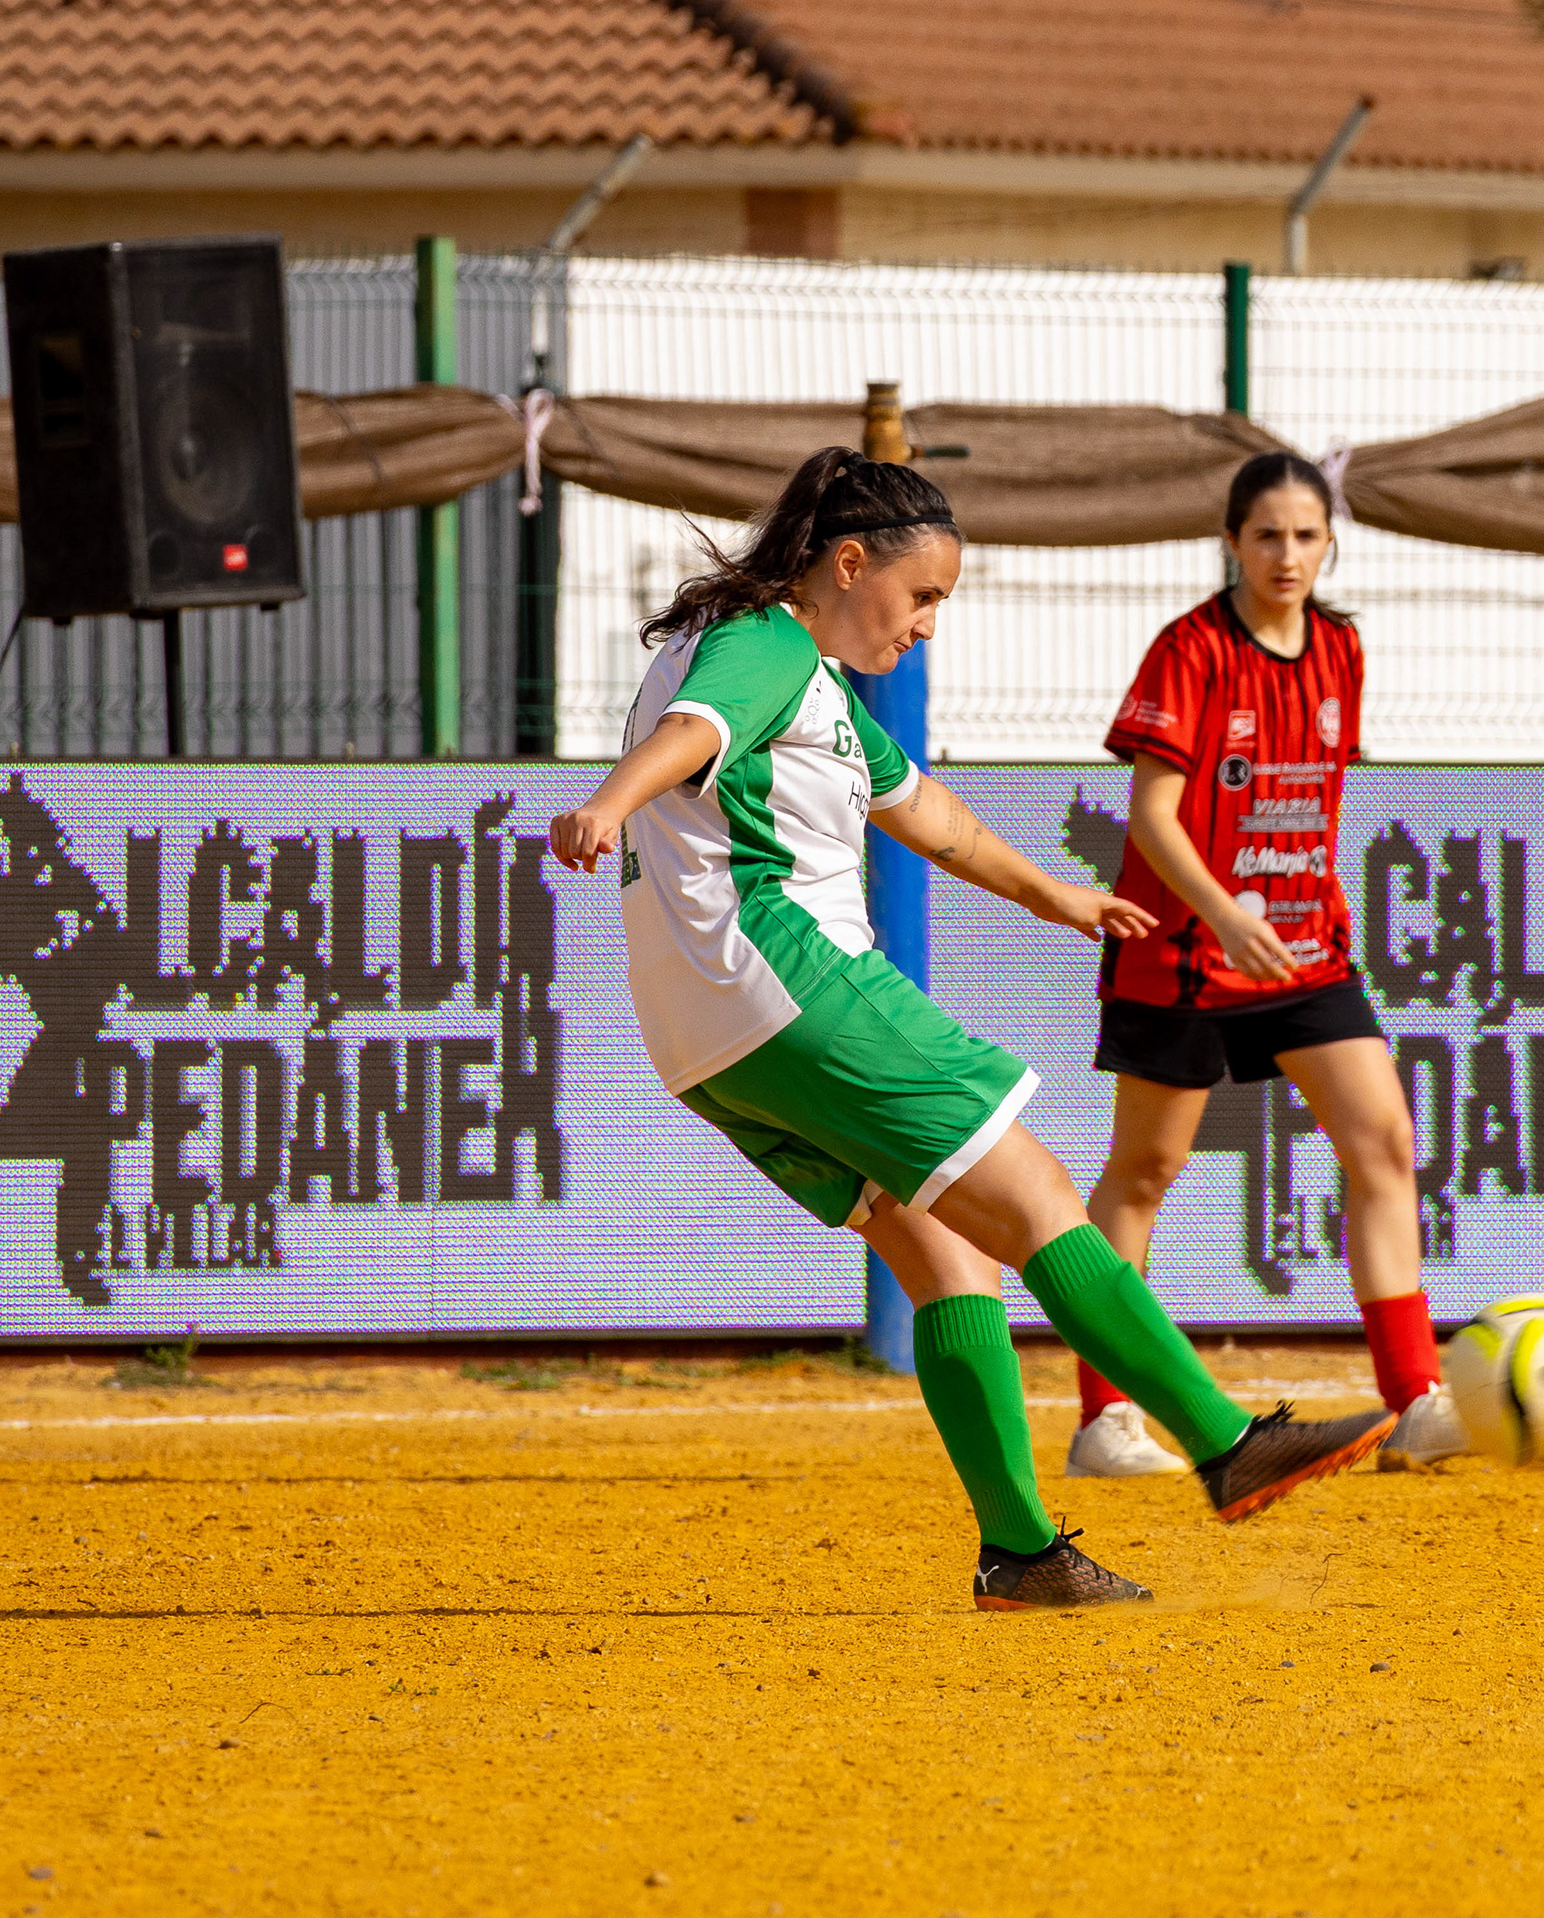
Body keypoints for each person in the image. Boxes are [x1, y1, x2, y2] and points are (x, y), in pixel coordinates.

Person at [547, 448, 1394, 1614]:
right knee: (1039, 1195)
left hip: (705, 1038)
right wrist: (608, 800)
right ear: (850, 563)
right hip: (786, 979)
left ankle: (1022, 1553)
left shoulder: (798, 681)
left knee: (946, 1254)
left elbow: (928, 812)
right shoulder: (767, 647)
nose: (928, 624)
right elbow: (696, 731)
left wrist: (1055, 894)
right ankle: (1226, 1441)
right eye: (923, 595)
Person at [1063, 451, 1468, 1481]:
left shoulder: (1340, 648)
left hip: (1304, 948)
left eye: (1306, 535)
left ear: (1330, 543)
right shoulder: (1190, 649)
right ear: (1233, 542)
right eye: (1267, 535)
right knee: (1144, 1173)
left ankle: (1415, 1400)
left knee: (1384, 1143)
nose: (1287, 554)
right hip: (1185, 949)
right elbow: (1152, 814)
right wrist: (1220, 915)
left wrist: (1281, 913)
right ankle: (1106, 1420)